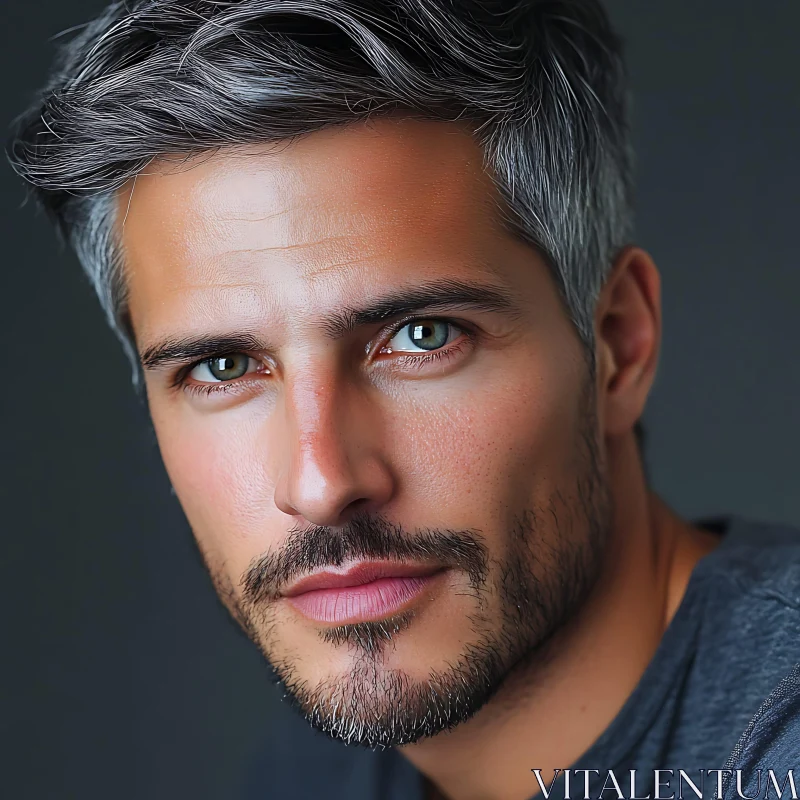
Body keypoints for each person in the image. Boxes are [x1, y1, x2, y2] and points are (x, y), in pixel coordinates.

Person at [7, 1, 799, 799]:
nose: (320, 485)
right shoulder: (313, 781)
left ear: (619, 345)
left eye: (422, 337)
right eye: (220, 366)